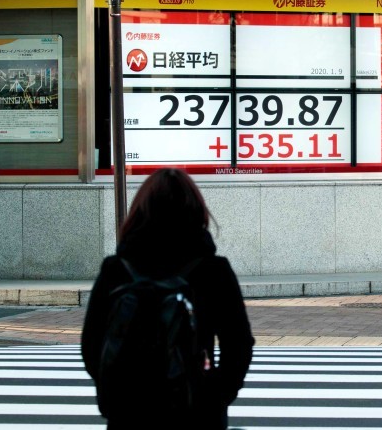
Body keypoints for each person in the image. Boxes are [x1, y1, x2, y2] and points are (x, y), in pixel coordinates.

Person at [81, 168, 254, 429]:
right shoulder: (213, 269)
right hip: (196, 414)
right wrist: (214, 397)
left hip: (130, 414)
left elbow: (92, 343)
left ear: (140, 210)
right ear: (196, 209)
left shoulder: (116, 269)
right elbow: (238, 344)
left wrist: (118, 389)